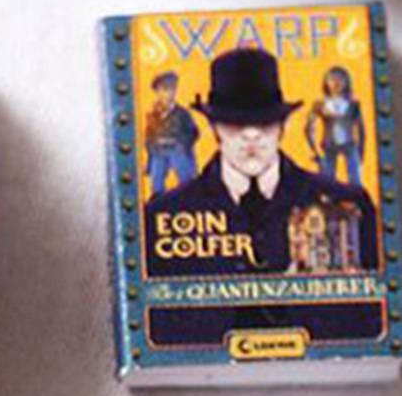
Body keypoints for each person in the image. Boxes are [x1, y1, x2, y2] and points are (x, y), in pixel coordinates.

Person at [145, 47, 379, 277]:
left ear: (283, 125)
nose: (251, 134)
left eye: (265, 121)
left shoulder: (349, 205)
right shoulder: (162, 216)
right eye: (235, 122)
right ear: (214, 127)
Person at [305, 65, 366, 186]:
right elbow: (309, 128)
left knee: (355, 180)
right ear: (326, 82)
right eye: (332, 79)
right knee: (327, 181)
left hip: (350, 145)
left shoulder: (353, 104)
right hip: (329, 145)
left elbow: (361, 130)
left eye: (340, 79)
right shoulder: (320, 104)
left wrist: (361, 152)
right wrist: (315, 150)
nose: (336, 83)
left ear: (346, 82)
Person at [144, 72, 202, 197]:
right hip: (158, 152)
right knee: (157, 181)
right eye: (164, 90)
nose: (169, 94)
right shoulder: (152, 114)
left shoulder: (182, 114)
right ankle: (158, 199)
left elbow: (194, 132)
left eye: (171, 90)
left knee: (186, 180)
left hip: (177, 151)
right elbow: (149, 136)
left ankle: (189, 197)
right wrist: (152, 149)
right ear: (158, 93)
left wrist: (182, 144)